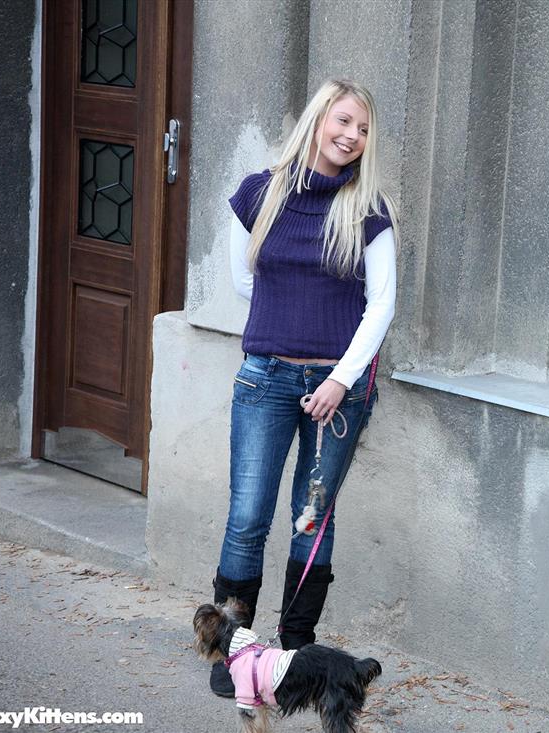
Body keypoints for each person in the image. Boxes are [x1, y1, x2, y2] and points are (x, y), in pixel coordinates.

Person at [208, 79, 398, 697]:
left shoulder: (368, 209)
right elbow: (243, 280)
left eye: (364, 129)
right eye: (344, 121)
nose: (352, 136)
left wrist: (341, 379)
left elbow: (382, 304)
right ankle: (231, 649)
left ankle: (294, 651)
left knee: (311, 520)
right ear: (318, 121)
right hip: (265, 376)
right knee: (247, 518)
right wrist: (287, 322)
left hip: (336, 390)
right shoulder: (259, 192)